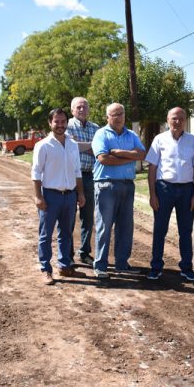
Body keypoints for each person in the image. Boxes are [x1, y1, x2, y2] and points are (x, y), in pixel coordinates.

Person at [146, 108, 194, 281]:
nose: (177, 121)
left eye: (180, 118)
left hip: (186, 191)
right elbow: (152, 169)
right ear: (167, 119)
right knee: (160, 229)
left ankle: (186, 267)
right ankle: (156, 266)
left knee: (186, 231)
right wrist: (152, 194)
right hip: (164, 190)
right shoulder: (159, 140)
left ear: (185, 120)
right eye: (173, 118)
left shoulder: (192, 141)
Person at [91, 103, 147, 279]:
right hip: (106, 185)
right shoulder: (101, 134)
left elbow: (142, 154)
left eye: (121, 113)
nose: (119, 117)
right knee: (104, 227)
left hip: (127, 186)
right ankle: (100, 265)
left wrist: (119, 152)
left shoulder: (131, 134)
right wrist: (128, 157)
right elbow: (103, 158)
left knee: (125, 227)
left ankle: (122, 264)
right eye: (114, 114)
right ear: (107, 117)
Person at [32, 108, 87, 285]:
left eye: (63, 121)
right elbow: (36, 172)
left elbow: (77, 170)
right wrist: (38, 197)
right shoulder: (43, 145)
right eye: (57, 122)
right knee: (46, 234)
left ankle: (64, 266)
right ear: (50, 123)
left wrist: (80, 193)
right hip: (50, 196)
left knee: (66, 233)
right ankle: (45, 269)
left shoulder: (72, 145)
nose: (60, 125)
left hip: (70, 196)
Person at [66, 97, 100, 266]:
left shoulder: (96, 128)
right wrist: (90, 146)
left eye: (84, 106)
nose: (81, 109)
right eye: (78, 107)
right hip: (71, 177)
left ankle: (84, 252)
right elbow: (69, 148)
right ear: (72, 110)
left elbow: (100, 151)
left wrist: (80, 146)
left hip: (90, 176)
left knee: (88, 218)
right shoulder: (67, 126)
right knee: (69, 217)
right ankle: (68, 254)